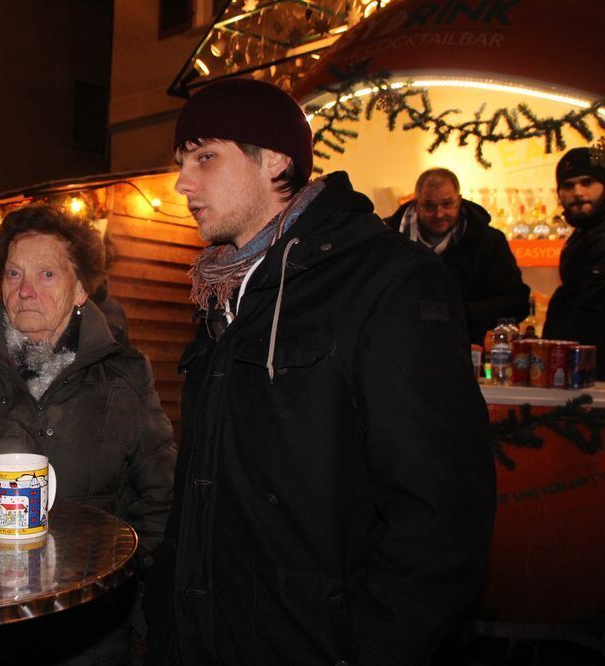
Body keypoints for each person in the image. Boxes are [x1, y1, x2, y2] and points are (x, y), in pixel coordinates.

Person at [145, 78, 494, 665]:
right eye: (182, 161)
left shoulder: (387, 281)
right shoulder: (222, 291)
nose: (183, 181)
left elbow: (441, 515)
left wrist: (366, 649)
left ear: (275, 160)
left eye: (205, 157)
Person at [0, 205, 176, 664]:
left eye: (46, 274)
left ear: (81, 288)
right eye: (14, 273)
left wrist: (127, 598)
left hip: (90, 631)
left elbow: (160, 499)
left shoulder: (123, 375)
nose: (25, 290)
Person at [385, 167, 530, 344]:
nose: (439, 214)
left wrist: (461, 313)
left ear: (459, 200)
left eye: (447, 204)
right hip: (399, 344)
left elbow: (516, 301)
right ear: (416, 203)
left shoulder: (487, 241)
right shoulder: (389, 240)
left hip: (467, 347)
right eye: (429, 206)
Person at [543, 147, 605, 379]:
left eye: (587, 182)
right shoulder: (583, 236)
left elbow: (593, 312)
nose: (578, 192)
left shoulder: (598, 237)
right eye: (568, 186)